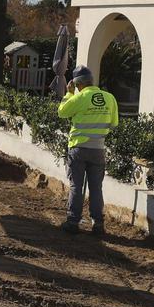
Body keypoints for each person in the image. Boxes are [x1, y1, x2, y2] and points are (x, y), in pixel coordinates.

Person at [57, 65, 118, 235]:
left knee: (76, 186)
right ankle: (98, 224)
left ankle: (72, 222)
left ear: (77, 84)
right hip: (98, 149)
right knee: (96, 188)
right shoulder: (110, 98)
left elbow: (62, 112)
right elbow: (114, 124)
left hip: (78, 148)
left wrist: (69, 94)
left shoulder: (79, 97)